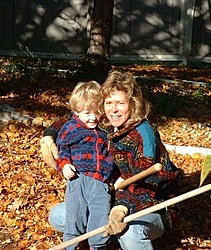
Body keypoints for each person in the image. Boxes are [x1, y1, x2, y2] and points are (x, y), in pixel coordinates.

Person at [40, 71, 180, 250]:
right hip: (110, 199)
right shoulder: (106, 121)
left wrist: (121, 208)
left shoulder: (144, 135)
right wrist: (49, 135)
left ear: (133, 104)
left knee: (130, 233)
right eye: (108, 103)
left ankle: (124, 237)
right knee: (59, 215)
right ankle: (107, 236)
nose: (113, 109)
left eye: (121, 103)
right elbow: (73, 116)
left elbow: (148, 184)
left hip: (151, 206)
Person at [44, 81, 115, 250]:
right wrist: (65, 165)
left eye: (97, 113)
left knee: (100, 219)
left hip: (100, 183)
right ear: (76, 111)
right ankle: (71, 246)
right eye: (87, 113)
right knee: (75, 218)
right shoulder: (70, 128)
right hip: (78, 179)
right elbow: (62, 150)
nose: (93, 118)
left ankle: (98, 246)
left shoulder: (105, 131)